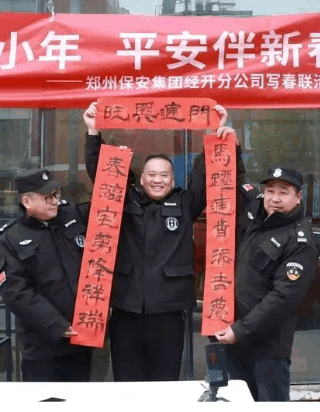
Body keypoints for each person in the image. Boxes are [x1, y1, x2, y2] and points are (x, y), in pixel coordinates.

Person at [82, 101, 231, 382]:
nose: (157, 180)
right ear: (142, 178)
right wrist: (93, 132)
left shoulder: (185, 203)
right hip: (127, 309)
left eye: (164, 175)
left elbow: (205, 175)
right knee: (127, 381)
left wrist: (213, 133)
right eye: (151, 174)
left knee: (165, 381)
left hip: (168, 310)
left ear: (173, 179)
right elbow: (101, 175)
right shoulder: (125, 200)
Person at [214, 165, 319, 401]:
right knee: (237, 400)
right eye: (270, 191)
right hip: (236, 337)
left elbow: (283, 298)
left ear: (298, 197)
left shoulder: (300, 241)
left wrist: (240, 330)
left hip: (268, 347)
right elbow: (231, 179)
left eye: (283, 192)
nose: (275, 199)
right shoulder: (259, 218)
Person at [0, 169, 92, 382]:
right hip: (42, 347)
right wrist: (57, 325)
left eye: (57, 194)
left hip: (82, 340)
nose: (55, 201)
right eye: (48, 197)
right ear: (27, 201)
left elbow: (107, 208)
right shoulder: (10, 239)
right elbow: (16, 293)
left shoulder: (72, 215)